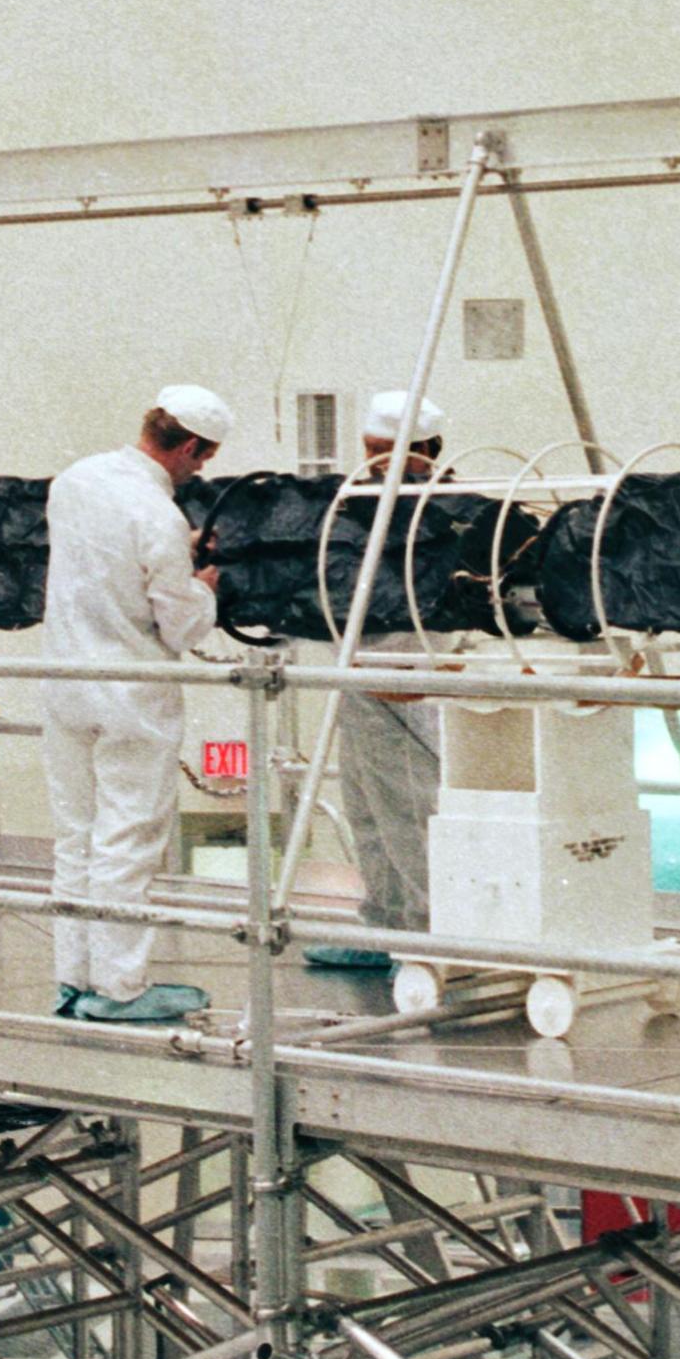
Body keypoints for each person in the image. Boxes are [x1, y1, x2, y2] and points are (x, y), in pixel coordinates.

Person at [41, 385, 234, 1022]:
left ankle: (74, 977)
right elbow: (179, 628)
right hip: (129, 694)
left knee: (76, 838)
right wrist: (200, 585)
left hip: (65, 682)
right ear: (188, 446)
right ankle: (119, 989)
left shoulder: (74, 480)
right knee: (126, 839)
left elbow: (95, 564)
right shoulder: (160, 517)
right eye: (200, 459)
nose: (198, 470)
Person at [308, 391, 448, 975]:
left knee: (410, 813)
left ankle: (424, 940)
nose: (370, 463)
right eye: (367, 449)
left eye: (385, 453)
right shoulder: (360, 508)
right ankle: (383, 926)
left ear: (425, 454)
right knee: (364, 807)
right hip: (357, 677)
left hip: (408, 683)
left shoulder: (444, 514)